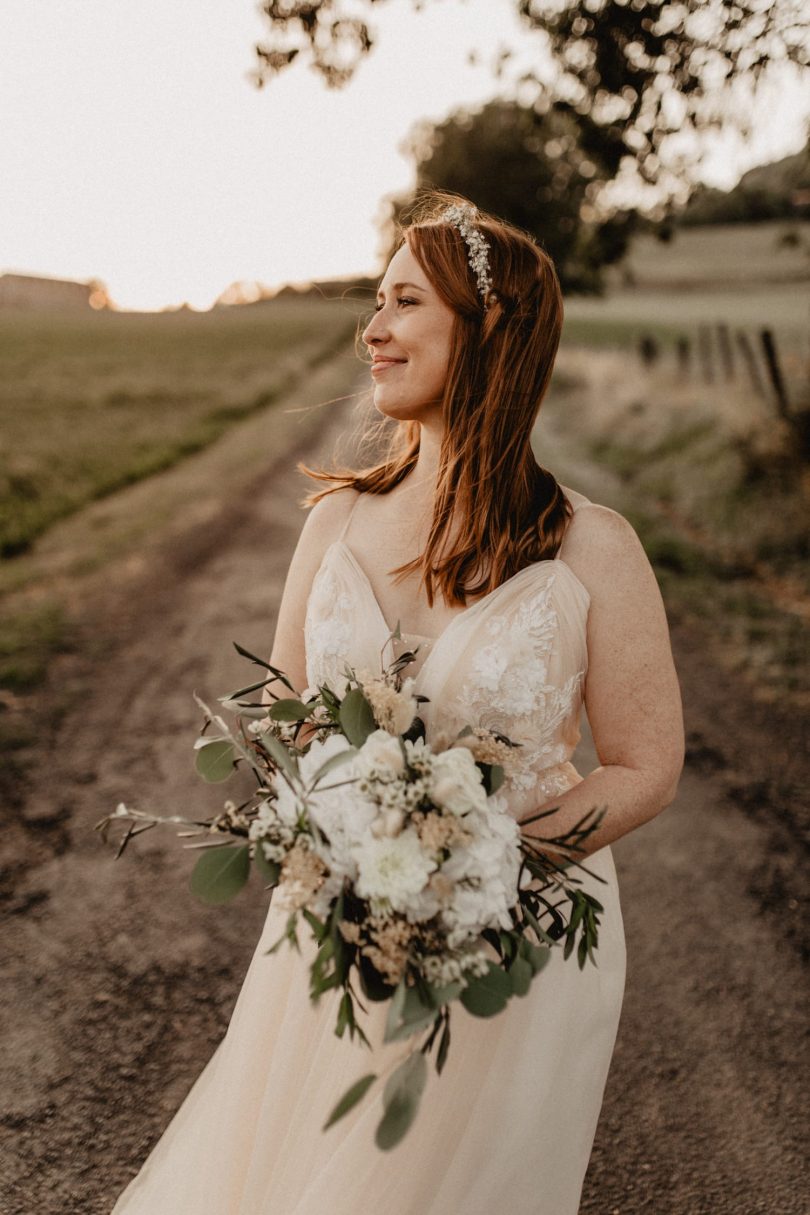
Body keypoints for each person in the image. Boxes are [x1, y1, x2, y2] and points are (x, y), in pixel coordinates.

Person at [110, 192, 684, 1214]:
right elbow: (280, 724)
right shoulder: (334, 524)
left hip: (513, 940)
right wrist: (346, 864)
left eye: (404, 301)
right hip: (337, 933)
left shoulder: (594, 547)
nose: (372, 329)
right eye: (375, 301)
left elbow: (645, 764)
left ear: (490, 329)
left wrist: (478, 870)